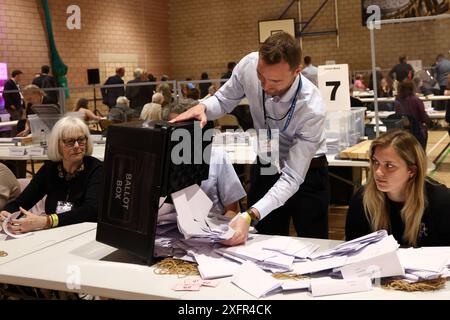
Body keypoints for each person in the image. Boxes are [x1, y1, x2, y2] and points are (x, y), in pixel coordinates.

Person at [171, 31, 328, 246]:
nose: (264, 86)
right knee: (262, 239)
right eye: (260, 76)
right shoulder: (249, 65)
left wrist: (249, 214)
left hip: (307, 169)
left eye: (274, 81)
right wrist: (203, 107)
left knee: (313, 242)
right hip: (266, 154)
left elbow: (292, 178)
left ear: (296, 72)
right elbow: (225, 99)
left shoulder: (311, 107)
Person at [346, 130, 450, 247]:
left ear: (411, 170)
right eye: (376, 162)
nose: (378, 172)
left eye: (389, 166)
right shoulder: (362, 200)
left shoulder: (442, 201)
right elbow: (352, 252)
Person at [0, 117, 103, 233]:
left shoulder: (96, 169)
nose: (76, 146)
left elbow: (90, 210)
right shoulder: (50, 169)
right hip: (53, 235)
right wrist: (6, 213)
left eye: (81, 140)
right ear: (57, 145)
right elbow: (21, 202)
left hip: (84, 235)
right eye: (69, 141)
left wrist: (47, 221)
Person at [394, 80, 429, 149]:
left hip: (402, 131)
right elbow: (423, 117)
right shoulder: (416, 100)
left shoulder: (397, 100)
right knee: (424, 131)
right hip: (416, 131)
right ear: (412, 88)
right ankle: (421, 154)